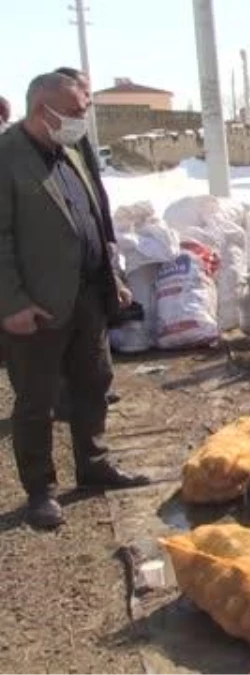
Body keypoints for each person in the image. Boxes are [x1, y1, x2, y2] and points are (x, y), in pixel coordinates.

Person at [0, 73, 149, 529]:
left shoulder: (71, 151)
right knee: (36, 400)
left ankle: (93, 464)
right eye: (78, 111)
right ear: (44, 109)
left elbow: (93, 218)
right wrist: (12, 304)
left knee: (94, 383)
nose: (83, 119)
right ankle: (41, 489)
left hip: (87, 294)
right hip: (38, 304)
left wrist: (114, 276)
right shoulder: (6, 157)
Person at [53, 67, 123, 418]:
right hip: (56, 277)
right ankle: (65, 400)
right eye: (83, 99)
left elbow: (93, 193)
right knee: (65, 350)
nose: (88, 106)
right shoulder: (28, 152)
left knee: (94, 350)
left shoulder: (76, 140)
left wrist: (107, 241)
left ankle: (96, 397)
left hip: (91, 269)